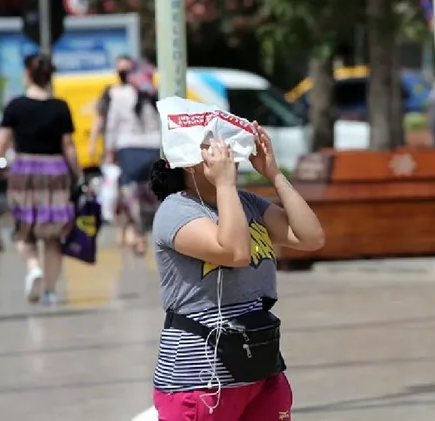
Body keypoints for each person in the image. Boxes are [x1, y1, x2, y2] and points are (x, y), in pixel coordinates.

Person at [149, 123, 325, 421]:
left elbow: (310, 237)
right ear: (188, 161)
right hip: (200, 380)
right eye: (212, 145)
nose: (226, 151)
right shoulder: (176, 210)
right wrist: (225, 185)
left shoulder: (247, 203)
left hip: (259, 370)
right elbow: (235, 253)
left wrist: (274, 174)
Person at [0, 53, 81, 306]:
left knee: (23, 230)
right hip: (55, 172)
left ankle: (33, 267)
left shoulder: (16, 107)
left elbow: (1, 142)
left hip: (24, 170)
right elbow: (68, 145)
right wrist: (76, 174)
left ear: (27, 74)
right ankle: (49, 291)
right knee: (53, 235)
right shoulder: (60, 106)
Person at [103, 58, 161, 255]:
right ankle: (153, 232)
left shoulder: (119, 95)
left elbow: (112, 125)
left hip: (128, 148)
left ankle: (138, 236)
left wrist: (109, 150)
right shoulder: (155, 94)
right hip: (153, 147)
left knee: (131, 195)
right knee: (152, 194)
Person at [88, 55, 138, 248]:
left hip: (131, 146)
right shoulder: (109, 93)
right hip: (113, 149)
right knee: (114, 192)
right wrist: (93, 142)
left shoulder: (138, 92)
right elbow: (100, 118)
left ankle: (132, 228)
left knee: (131, 189)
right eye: (120, 69)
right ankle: (122, 228)